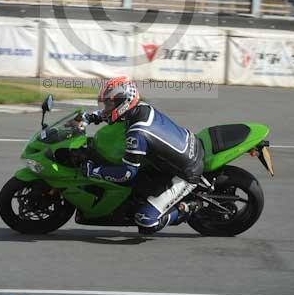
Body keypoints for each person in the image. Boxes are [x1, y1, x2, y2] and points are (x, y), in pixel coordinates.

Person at [80, 76, 204, 234]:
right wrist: (91, 116)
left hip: (186, 173)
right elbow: (112, 115)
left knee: (146, 221)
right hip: (185, 146)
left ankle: (187, 207)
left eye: (109, 104)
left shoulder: (137, 134)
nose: (106, 107)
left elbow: (126, 174)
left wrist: (94, 171)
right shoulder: (139, 108)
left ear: (123, 103)